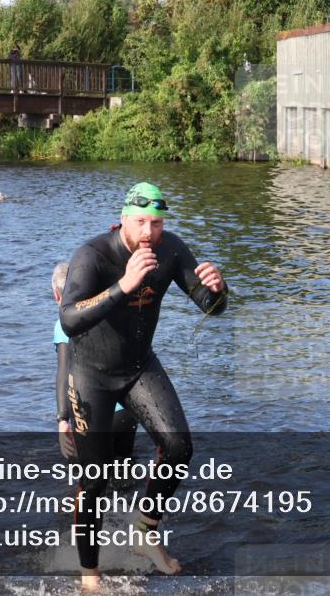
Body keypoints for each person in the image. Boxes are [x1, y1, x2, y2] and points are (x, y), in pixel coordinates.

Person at [59, 182, 228, 589]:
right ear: (123, 220)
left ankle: (144, 529)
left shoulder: (171, 249)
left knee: (179, 445)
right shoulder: (93, 255)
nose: (149, 232)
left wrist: (220, 291)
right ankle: (89, 576)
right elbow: (68, 320)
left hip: (138, 368)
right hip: (91, 377)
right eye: (141, 223)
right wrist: (124, 285)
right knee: (95, 481)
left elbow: (210, 307)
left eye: (156, 223)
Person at [51, 263, 138, 462]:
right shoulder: (107, 311)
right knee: (125, 470)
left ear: (57, 296)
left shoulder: (63, 324)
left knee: (89, 476)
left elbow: (64, 372)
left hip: (95, 411)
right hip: (128, 409)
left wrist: (63, 419)